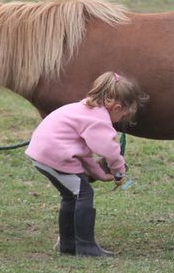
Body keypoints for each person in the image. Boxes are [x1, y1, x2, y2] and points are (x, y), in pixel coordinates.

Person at [26, 71, 149, 257]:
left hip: (44, 153)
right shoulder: (99, 120)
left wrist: (99, 174)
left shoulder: (85, 109)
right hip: (55, 156)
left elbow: (84, 155)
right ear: (116, 107)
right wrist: (119, 172)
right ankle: (86, 246)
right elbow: (110, 151)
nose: (123, 118)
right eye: (124, 114)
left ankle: (68, 245)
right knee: (83, 194)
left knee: (71, 196)